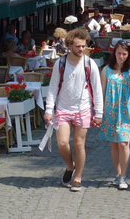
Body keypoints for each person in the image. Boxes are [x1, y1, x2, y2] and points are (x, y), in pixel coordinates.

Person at [44, 28, 104, 192]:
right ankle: (70, 166)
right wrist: (49, 109)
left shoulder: (89, 63)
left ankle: (78, 177)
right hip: (63, 107)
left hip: (83, 108)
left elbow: (97, 89)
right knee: (62, 143)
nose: (81, 49)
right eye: (78, 46)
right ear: (69, 45)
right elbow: (52, 87)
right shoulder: (60, 63)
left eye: (83, 46)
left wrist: (99, 113)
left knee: (79, 144)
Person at [99, 41, 130, 190]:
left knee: (123, 143)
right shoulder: (106, 70)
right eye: (119, 53)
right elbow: (101, 92)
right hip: (111, 111)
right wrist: (99, 111)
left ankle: (124, 176)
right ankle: (118, 174)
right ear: (114, 53)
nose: (121, 56)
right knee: (114, 143)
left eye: (124, 54)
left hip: (127, 111)